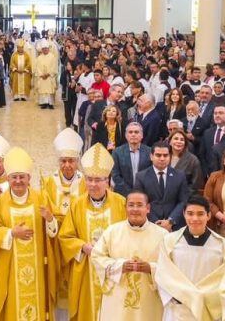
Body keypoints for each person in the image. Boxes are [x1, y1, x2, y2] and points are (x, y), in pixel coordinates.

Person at [0, 146, 58, 321]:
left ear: (29, 178)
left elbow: (55, 233)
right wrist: (10, 233)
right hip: (10, 268)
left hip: (37, 268)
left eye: (22, 177)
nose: (18, 181)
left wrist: (50, 220)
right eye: (14, 177)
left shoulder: (41, 198)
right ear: (8, 178)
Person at [57, 143, 127, 321]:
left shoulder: (120, 202)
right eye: (89, 179)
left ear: (107, 181)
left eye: (98, 180)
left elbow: (128, 234)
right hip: (86, 268)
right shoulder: (77, 204)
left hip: (113, 268)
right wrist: (82, 247)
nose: (93, 184)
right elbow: (65, 236)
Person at [90, 190, 168, 320]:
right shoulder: (112, 231)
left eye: (139, 205)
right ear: (125, 207)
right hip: (117, 300)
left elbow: (171, 267)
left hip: (148, 303)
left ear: (148, 208)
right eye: (131, 205)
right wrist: (120, 267)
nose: (135, 209)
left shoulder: (162, 235)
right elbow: (96, 256)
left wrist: (151, 268)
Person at [154, 195, 225, 321]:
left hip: (208, 308)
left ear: (208, 215)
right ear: (184, 214)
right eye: (190, 214)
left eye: (200, 214)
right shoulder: (169, 242)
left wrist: (199, 297)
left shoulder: (223, 246)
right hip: (178, 307)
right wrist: (185, 295)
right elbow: (164, 275)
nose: (195, 218)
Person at [134, 141, 190, 230]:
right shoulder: (141, 177)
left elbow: (183, 201)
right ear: (151, 156)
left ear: (170, 156)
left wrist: (171, 221)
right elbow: (141, 203)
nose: (162, 158)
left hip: (174, 226)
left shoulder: (179, 175)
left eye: (165, 155)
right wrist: (156, 223)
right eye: (158, 155)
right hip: (150, 225)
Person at [44, 128, 86, 226]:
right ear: (58, 162)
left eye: (71, 161)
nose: (67, 165)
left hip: (77, 227)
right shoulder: (50, 181)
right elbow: (46, 207)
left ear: (77, 162)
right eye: (63, 161)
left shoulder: (84, 182)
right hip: (55, 227)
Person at [111, 122, 153, 196]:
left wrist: (141, 192)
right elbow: (115, 175)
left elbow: (152, 173)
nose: (133, 134)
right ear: (126, 136)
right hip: (122, 195)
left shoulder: (150, 151)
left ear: (142, 135)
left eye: (136, 132)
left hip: (145, 194)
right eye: (130, 132)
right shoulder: (117, 152)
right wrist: (130, 193)